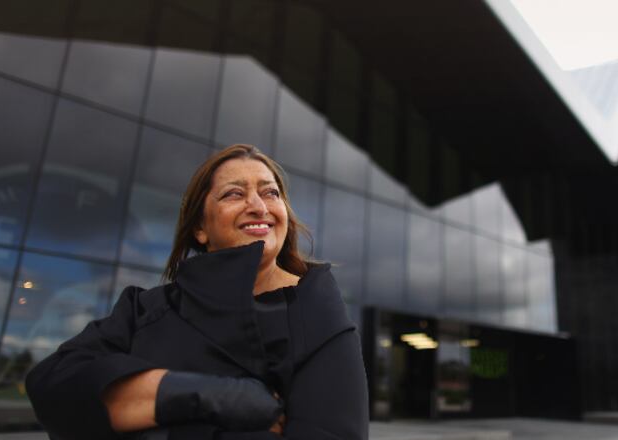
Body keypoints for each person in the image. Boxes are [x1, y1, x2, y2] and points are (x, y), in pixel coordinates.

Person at [26, 144, 369, 439]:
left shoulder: (317, 312)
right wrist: (211, 395)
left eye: (270, 193)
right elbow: (54, 386)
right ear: (200, 228)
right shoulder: (145, 309)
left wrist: (152, 426)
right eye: (234, 193)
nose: (259, 206)